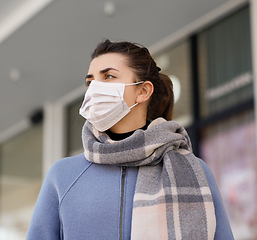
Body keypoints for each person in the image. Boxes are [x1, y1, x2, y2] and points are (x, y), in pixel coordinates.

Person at [25, 40, 234, 240]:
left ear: (143, 91)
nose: (94, 88)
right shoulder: (63, 175)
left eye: (108, 77)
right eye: (90, 81)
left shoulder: (194, 171)